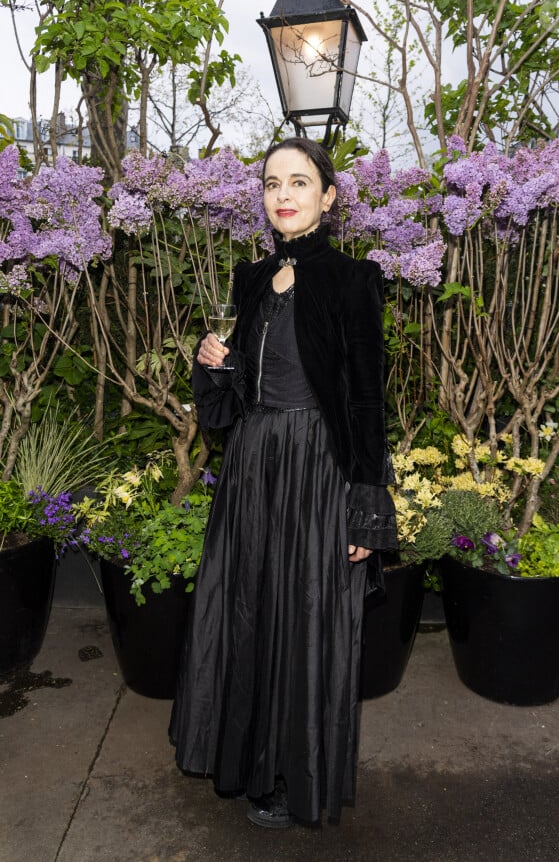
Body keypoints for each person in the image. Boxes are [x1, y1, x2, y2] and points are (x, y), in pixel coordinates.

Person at [169, 137, 397, 829]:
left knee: (304, 619)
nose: (284, 194)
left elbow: (365, 400)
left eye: (300, 182)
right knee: (246, 613)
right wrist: (213, 365)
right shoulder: (248, 279)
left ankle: (285, 779)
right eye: (272, 183)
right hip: (252, 467)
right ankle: (243, 761)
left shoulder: (354, 282)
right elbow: (228, 408)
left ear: (328, 198)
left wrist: (364, 503)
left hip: (317, 468)